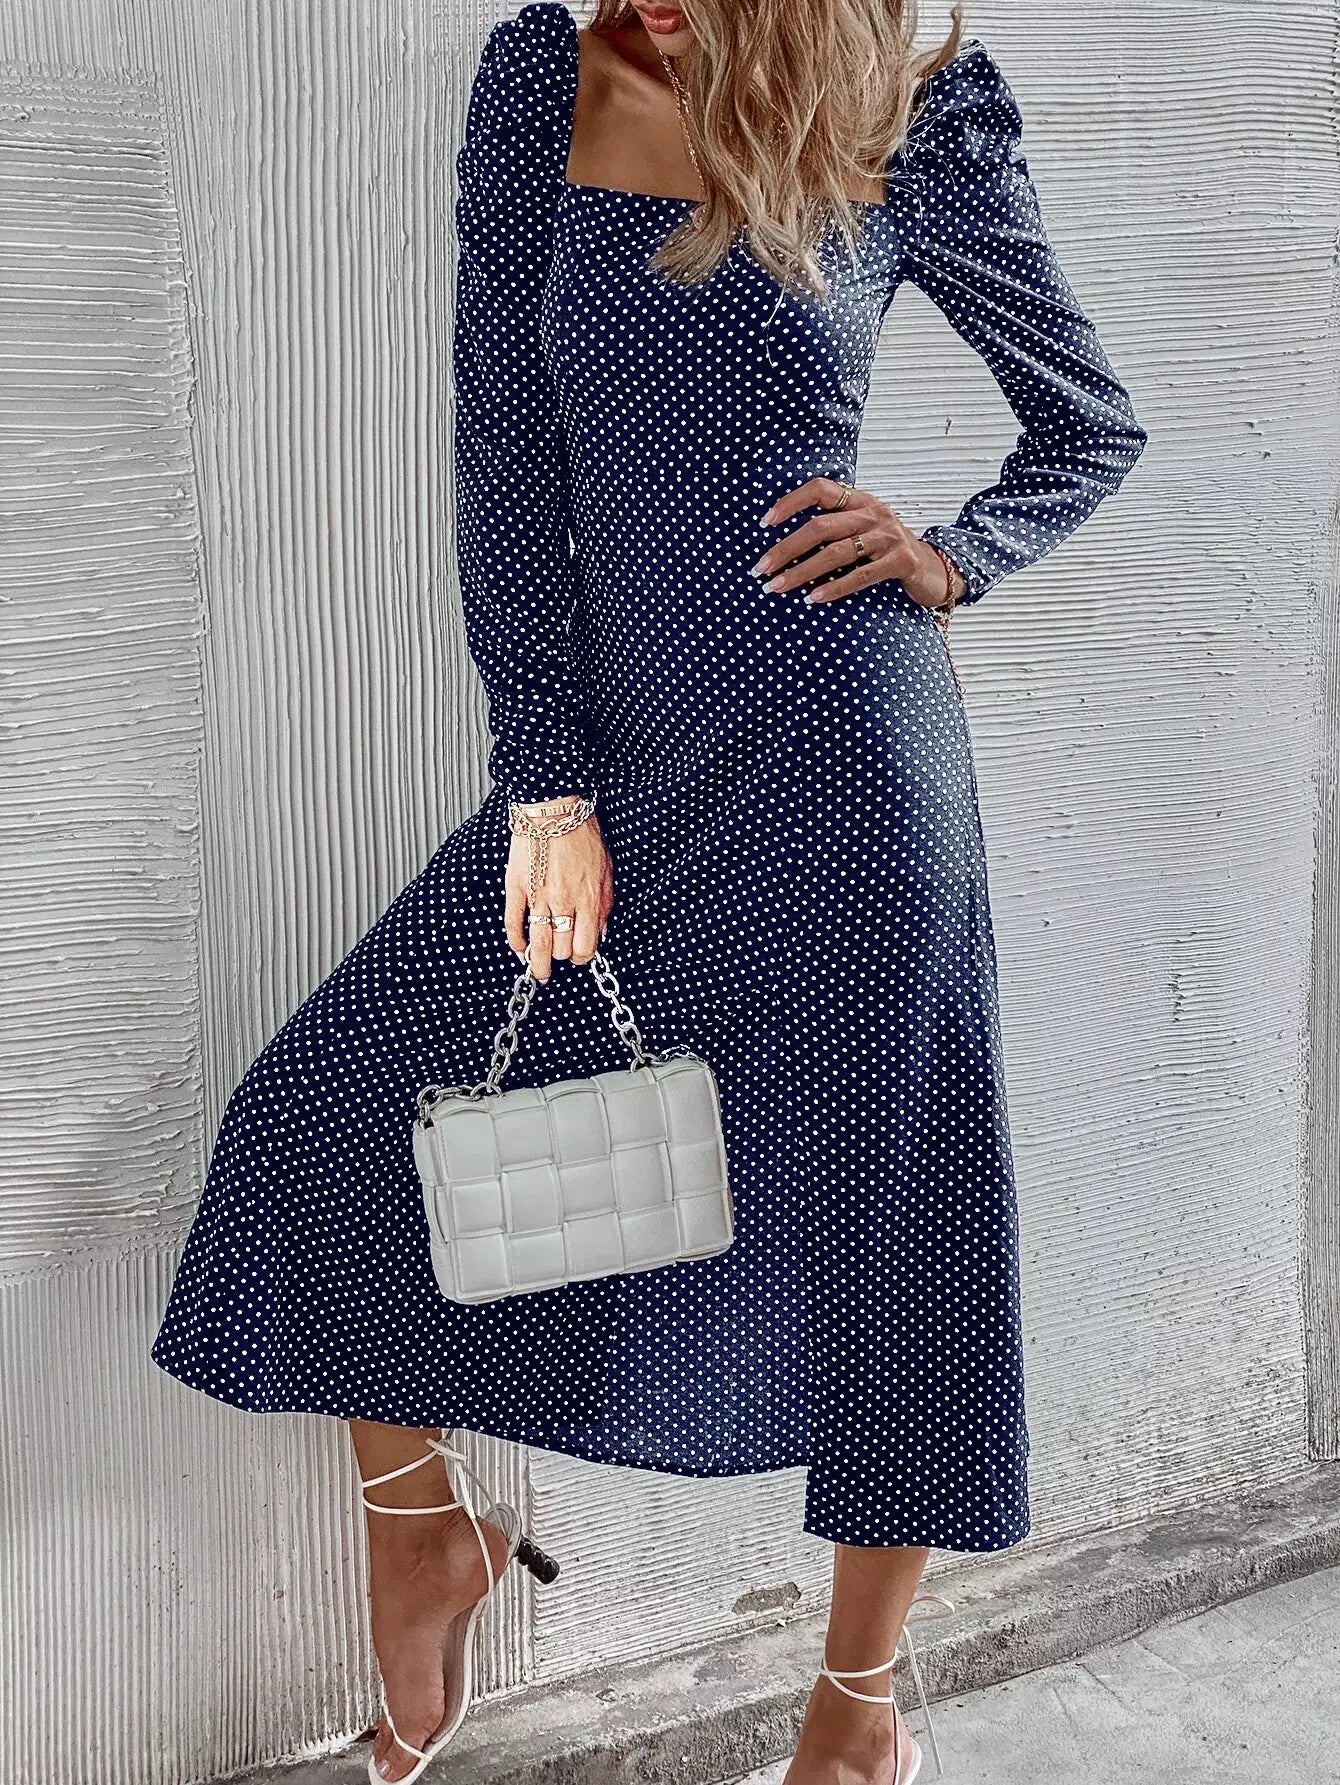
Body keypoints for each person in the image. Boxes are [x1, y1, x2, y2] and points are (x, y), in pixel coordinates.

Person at [151, 3, 1147, 1782]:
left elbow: (1087, 423)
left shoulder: (912, 111)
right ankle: (422, 1529)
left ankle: (855, 1715)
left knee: (893, 1224)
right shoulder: (544, 81)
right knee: (316, 1113)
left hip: (847, 764)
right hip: (614, 764)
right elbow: (505, 459)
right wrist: (546, 785)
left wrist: (949, 554)